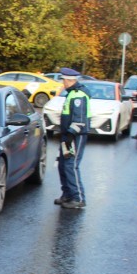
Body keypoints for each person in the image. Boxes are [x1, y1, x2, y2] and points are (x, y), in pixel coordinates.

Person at [54, 67, 91, 209]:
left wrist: (70, 134)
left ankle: (78, 198)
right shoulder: (72, 93)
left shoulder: (78, 95)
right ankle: (67, 194)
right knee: (63, 164)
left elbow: (79, 119)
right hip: (68, 135)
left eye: (63, 80)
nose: (63, 83)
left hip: (76, 135)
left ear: (68, 81)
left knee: (71, 165)